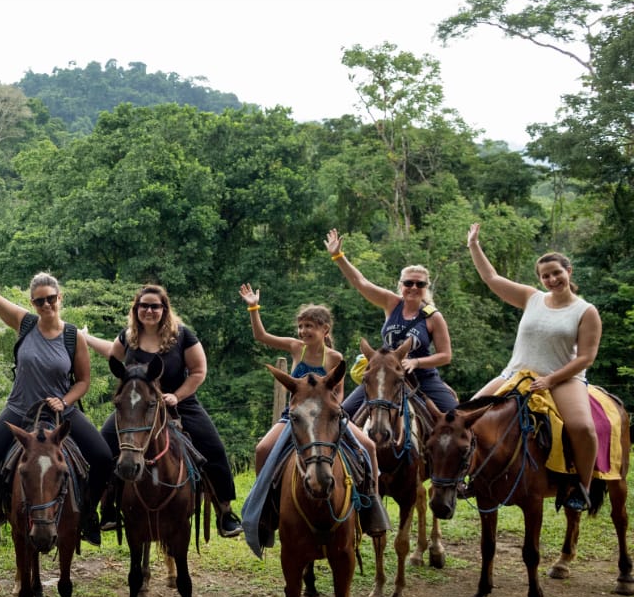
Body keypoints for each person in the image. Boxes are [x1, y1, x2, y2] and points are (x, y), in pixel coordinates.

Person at [0, 250, 112, 545]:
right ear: (32, 303)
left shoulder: (73, 336)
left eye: (51, 298)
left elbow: (84, 381)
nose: (46, 304)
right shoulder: (24, 323)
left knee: (102, 457)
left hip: (60, 411)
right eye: (40, 300)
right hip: (20, 408)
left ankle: (89, 513)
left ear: (60, 298)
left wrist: (64, 401)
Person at [79, 285, 242, 538]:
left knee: (213, 448)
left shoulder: (182, 336)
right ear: (136, 309)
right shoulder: (129, 335)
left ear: (164, 309)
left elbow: (199, 371)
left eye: (155, 306)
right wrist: (85, 338)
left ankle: (224, 511)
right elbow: (112, 354)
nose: (149, 310)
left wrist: (176, 396)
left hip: (178, 402)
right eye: (143, 305)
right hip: (138, 407)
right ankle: (100, 510)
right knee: (102, 449)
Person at [237, 283, 389, 543]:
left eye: (310, 326)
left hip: (329, 417)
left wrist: (331, 413)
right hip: (294, 417)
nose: (304, 331)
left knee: (368, 447)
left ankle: (372, 504)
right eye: (302, 326)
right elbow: (261, 336)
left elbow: (338, 394)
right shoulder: (297, 348)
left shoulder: (334, 357)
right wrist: (253, 306)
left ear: (324, 329)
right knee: (263, 449)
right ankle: (265, 507)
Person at [467, 223, 600, 510]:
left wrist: (551, 380)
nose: (552, 279)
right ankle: (471, 477)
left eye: (556, 273)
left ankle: (583, 488)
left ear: (569, 272)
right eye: (546, 275)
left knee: (583, 427)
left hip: (564, 377)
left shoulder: (585, 311)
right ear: (539, 279)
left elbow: (586, 357)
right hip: (515, 373)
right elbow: (491, 277)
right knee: (467, 413)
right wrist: (474, 245)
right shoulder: (532, 298)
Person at [326, 229, 458, 417]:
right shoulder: (391, 303)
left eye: (419, 284)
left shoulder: (433, 316)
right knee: (342, 416)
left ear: (425, 287)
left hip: (422, 377)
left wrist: (416, 362)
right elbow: (361, 283)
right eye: (408, 283)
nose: (413, 287)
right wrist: (338, 256)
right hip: (384, 375)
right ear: (401, 285)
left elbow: (445, 356)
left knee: (457, 418)